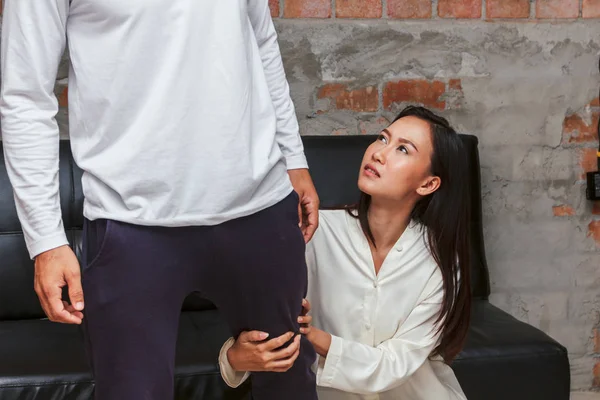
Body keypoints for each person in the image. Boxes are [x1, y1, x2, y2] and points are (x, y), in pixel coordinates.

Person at [0, 1, 319, 399]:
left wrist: (294, 158)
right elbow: (25, 96)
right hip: (131, 226)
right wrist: (46, 238)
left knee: (289, 384)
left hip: (261, 210)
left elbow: (261, 42)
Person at [218, 106, 472, 400]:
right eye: (383, 138)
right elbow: (264, 324)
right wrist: (234, 358)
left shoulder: (438, 261)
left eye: (403, 149)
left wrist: (316, 339)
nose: (379, 153)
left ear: (428, 184)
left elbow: (395, 364)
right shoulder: (311, 231)